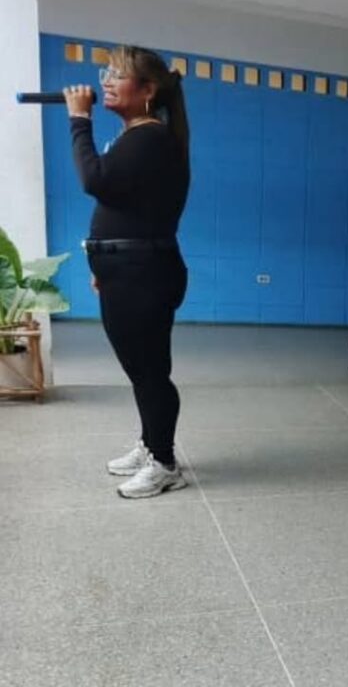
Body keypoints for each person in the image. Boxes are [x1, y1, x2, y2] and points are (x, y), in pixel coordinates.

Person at [64, 45, 190, 499]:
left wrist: (79, 120)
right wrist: (105, 264)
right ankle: (151, 444)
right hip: (129, 271)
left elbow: (95, 180)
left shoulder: (149, 137)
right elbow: (126, 205)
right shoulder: (138, 137)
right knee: (142, 370)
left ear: (148, 89)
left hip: (142, 273)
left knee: (150, 372)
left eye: (118, 75)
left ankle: (165, 463)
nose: (106, 83)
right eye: (105, 74)